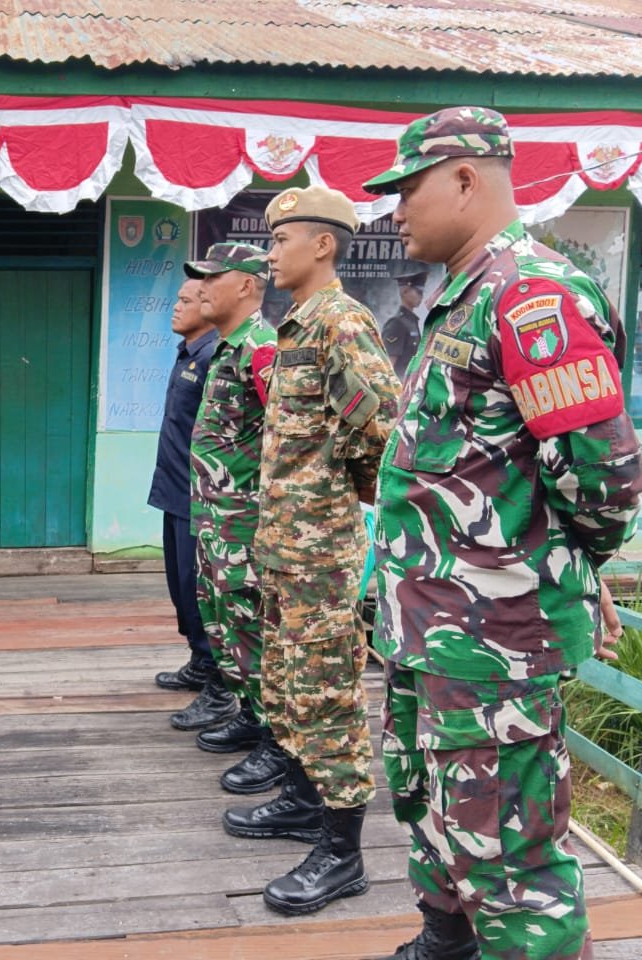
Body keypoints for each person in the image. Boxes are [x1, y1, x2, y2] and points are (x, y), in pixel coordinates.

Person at [363, 106, 642, 959]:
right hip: (435, 632)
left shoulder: (532, 296)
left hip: (496, 645)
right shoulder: (465, 296)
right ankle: (444, 942)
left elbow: (606, 480)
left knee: (511, 861)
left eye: (407, 189)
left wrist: (561, 569)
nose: (395, 211)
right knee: (436, 812)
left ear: (464, 180)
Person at [228, 185, 401, 917]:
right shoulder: (298, 322)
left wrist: (337, 506)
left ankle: (343, 853)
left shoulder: (342, 323)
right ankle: (304, 801)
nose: (271, 253)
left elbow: (384, 433)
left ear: (323, 244)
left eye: (281, 239)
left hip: (321, 554)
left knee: (327, 694)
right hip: (285, 550)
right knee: (290, 685)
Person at [178, 242, 289, 794]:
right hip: (214, 522)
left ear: (246, 285)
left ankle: (276, 738)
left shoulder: (261, 349)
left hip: (245, 526)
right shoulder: (227, 348)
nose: (201, 289)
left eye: (212, 279)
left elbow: (286, 440)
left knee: (252, 631)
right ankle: (248, 711)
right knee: (225, 628)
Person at [151, 279, 221, 696]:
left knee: (199, 590)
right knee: (180, 587)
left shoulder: (214, 357)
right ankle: (199, 660)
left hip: (200, 500)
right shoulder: (188, 354)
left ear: (208, 306)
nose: (176, 307)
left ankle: (215, 675)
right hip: (175, 492)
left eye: (186, 300)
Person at [382, 264, 427, 378]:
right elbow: (388, 366)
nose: (421, 296)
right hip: (399, 384)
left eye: (422, 293)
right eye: (418, 292)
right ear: (405, 291)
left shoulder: (411, 321)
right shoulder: (396, 323)